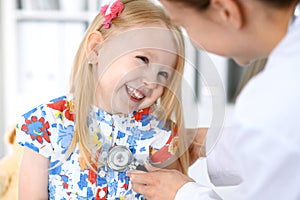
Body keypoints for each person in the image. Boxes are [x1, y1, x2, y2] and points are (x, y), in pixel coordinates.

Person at [16, 0, 191, 199]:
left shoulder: (161, 135)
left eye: (163, 74)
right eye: (143, 59)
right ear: (96, 49)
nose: (151, 81)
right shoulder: (46, 124)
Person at [128, 0, 300, 199]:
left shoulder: (270, 104)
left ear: (226, 11)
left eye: (184, 24)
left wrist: (182, 194)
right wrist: (206, 142)